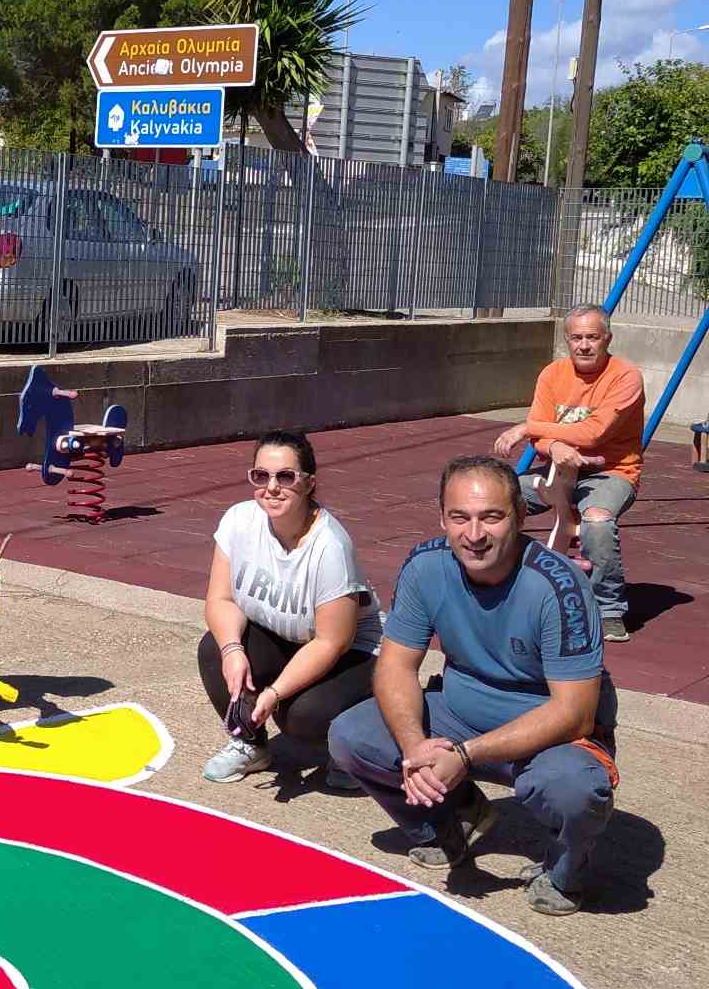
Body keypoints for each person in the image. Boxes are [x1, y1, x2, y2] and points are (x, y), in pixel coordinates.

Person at [328, 455, 618, 917]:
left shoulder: (559, 587)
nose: (474, 533)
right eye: (459, 517)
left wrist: (464, 756)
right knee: (351, 735)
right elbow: (396, 666)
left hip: (547, 731)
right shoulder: (426, 565)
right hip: (460, 711)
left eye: (492, 516)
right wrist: (415, 745)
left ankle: (566, 869)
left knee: (573, 789)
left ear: (521, 517)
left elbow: (574, 713)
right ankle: (450, 823)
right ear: (442, 516)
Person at [196, 430, 382, 788]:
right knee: (214, 649)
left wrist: (274, 693)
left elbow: (331, 642)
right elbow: (220, 600)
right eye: (260, 476)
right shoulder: (239, 521)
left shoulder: (330, 546)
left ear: (309, 483)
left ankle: (358, 747)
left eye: (285, 476)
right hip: (287, 636)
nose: (272, 487)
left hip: (353, 653)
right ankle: (250, 744)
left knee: (301, 717)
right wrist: (233, 650)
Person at [492, 304, 645, 641]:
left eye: (592, 337)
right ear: (567, 340)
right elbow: (542, 438)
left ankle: (607, 608)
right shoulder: (552, 374)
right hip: (559, 469)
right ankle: (498, 578)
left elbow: (594, 433)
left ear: (608, 339)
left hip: (612, 471)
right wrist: (554, 447)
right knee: (498, 499)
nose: (584, 345)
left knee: (597, 521)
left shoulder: (625, 377)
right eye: (577, 338)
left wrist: (528, 428)